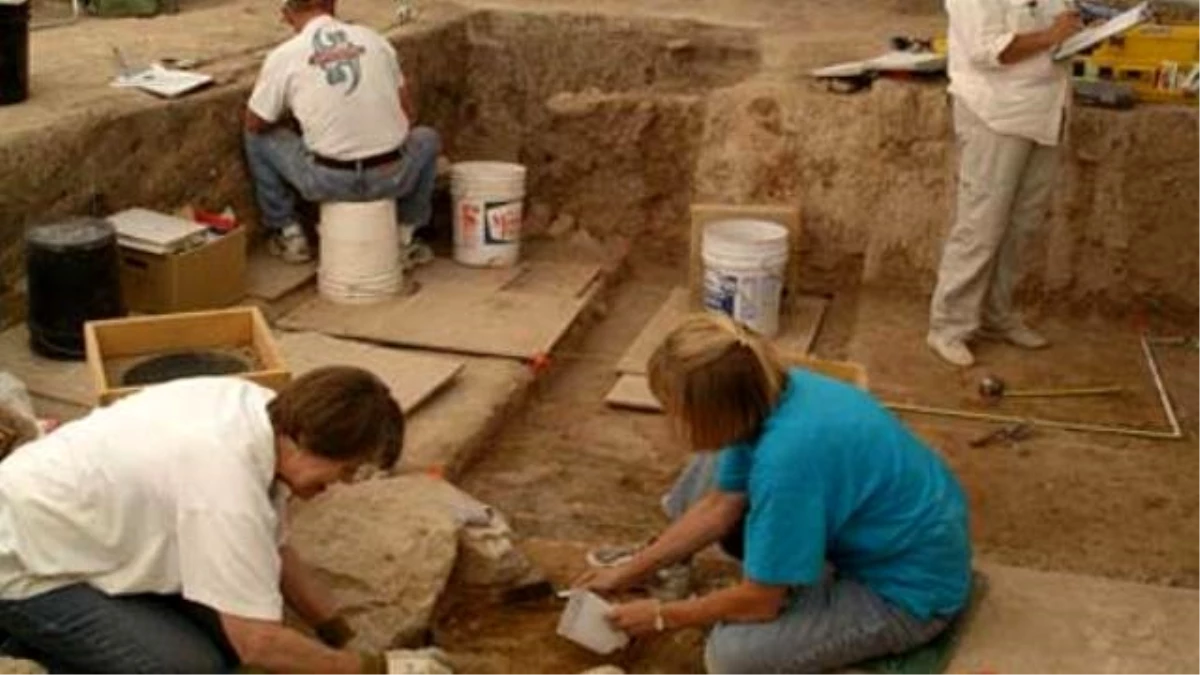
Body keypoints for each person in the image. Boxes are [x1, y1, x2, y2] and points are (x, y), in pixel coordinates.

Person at [577, 314, 972, 674]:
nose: (670, 420)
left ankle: (810, 599)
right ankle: (750, 576)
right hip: (886, 536)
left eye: (675, 410)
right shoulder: (772, 390)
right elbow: (720, 505)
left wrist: (665, 616)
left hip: (909, 594)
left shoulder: (788, 463)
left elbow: (761, 601)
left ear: (715, 408)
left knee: (731, 657)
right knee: (705, 477)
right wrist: (631, 571)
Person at [0, 367, 412, 674]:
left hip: (86, 536)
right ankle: (23, 642)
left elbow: (274, 548)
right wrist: (374, 669)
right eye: (344, 470)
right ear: (306, 442)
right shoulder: (224, 485)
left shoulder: (262, 411)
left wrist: (338, 634)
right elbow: (258, 643)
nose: (339, 485)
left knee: (234, 634)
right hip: (24, 566)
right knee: (193, 667)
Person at [927, 0, 1085, 366]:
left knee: (1023, 224)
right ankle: (949, 326)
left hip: (1044, 109)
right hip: (994, 112)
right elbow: (986, 51)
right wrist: (1051, 35)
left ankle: (999, 315)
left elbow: (1059, 26)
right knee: (981, 224)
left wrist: (1076, 34)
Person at [243, 0, 440, 265]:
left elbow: (255, 122)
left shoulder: (285, 55)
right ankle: (404, 238)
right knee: (427, 138)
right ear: (333, 5)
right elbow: (409, 115)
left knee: (256, 138)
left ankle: (289, 233)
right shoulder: (375, 40)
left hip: (327, 181)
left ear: (287, 15)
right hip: (392, 176)